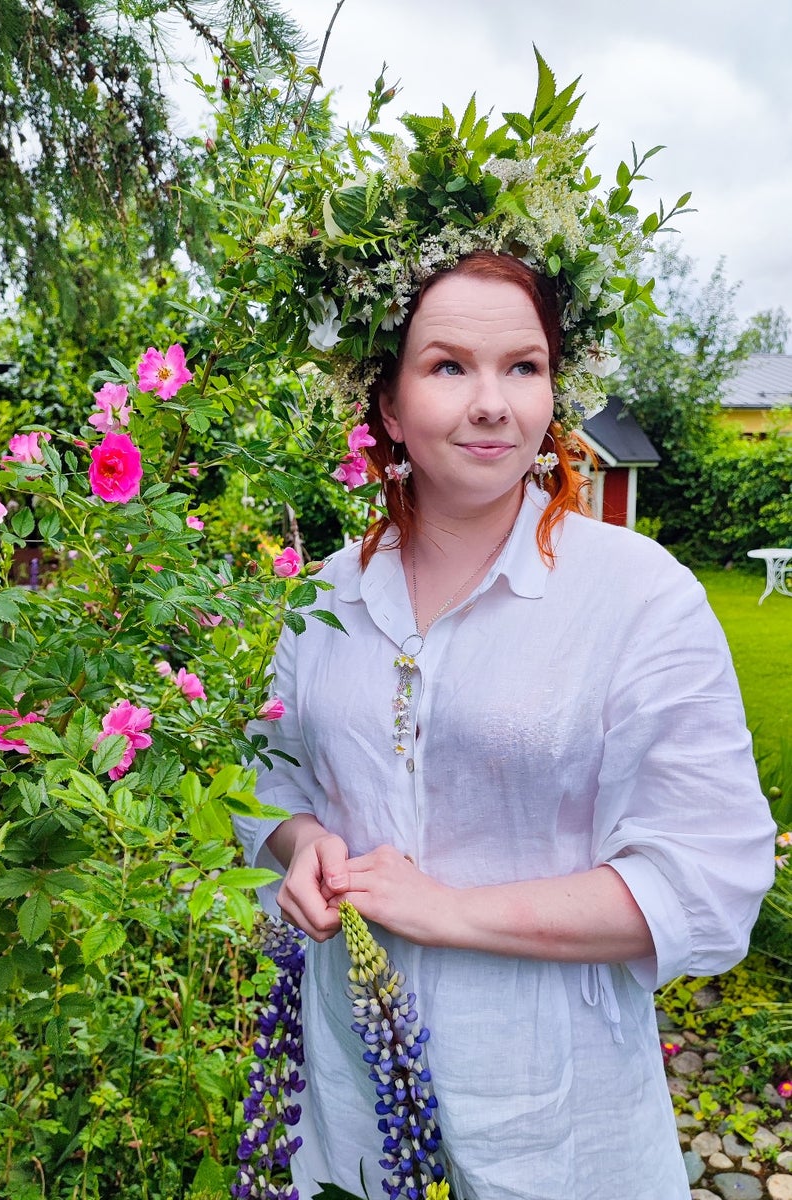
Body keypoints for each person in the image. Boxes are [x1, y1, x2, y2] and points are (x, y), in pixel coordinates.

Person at [235, 63, 776, 1200]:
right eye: (449, 366)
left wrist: (450, 911)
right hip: (359, 1099)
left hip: (554, 1123)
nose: (492, 401)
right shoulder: (327, 595)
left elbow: (710, 879)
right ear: (388, 405)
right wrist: (301, 844)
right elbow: (267, 775)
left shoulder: (637, 596)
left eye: (522, 367)